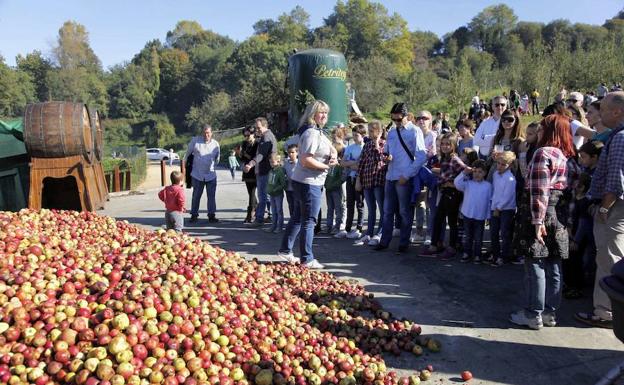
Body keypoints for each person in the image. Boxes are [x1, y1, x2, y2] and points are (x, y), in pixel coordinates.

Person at [510, 114, 574, 330]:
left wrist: (538, 222)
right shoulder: (564, 155)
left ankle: (532, 313)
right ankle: (549, 312)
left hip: (541, 213)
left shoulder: (542, 153)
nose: (538, 132)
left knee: (535, 263)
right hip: (558, 213)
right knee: (554, 263)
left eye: (541, 128)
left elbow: (539, 190)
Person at [576, 91, 624, 328]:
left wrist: (604, 209)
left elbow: (615, 180)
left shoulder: (621, 138)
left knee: (609, 259)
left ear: (617, 111)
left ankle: (606, 311)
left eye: (603, 108)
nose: (598, 112)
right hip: (613, 208)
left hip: (613, 210)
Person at [278, 100, 337, 269]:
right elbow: (305, 159)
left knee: (297, 217)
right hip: (309, 182)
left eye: (326, 112)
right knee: (309, 220)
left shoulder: (317, 131)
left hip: (303, 181)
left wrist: (333, 153)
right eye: (321, 112)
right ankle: (307, 258)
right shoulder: (311, 133)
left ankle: (285, 249)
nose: (324, 115)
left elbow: (331, 147)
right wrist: (327, 166)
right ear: (313, 114)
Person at [374, 103, 427, 253]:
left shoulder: (415, 131)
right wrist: (386, 157)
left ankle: (404, 242)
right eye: (393, 119)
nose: (396, 122)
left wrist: (407, 175)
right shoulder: (391, 132)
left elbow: (421, 156)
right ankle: (384, 241)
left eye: (398, 119)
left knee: (404, 211)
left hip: (404, 177)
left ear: (406, 116)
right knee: (387, 211)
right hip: (390, 175)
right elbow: (387, 152)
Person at [420, 133, 466, 258]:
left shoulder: (455, 159)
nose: (445, 146)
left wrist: (454, 184)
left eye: (448, 144)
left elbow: (467, 171)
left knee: (451, 221)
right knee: (438, 219)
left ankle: (451, 247)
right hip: (444, 192)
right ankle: (435, 245)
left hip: (452, 193)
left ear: (453, 146)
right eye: (443, 144)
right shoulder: (444, 158)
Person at [355, 120, 387, 247]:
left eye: (372, 130)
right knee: (371, 209)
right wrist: (358, 179)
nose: (369, 133)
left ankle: (379, 233)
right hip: (367, 180)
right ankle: (368, 233)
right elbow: (361, 163)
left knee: (382, 209)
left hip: (379, 180)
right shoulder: (366, 145)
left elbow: (381, 159)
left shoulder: (384, 144)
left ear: (379, 132)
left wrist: (376, 142)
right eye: (369, 130)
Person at [454, 160, 492, 263]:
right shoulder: (468, 184)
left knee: (478, 237)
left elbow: (489, 201)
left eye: (480, 172)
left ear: (484, 173)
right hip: (467, 214)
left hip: (480, 217)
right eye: (475, 171)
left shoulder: (488, 186)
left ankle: (477, 255)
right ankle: (467, 253)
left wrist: (488, 216)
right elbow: (456, 183)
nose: (477, 174)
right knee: (468, 236)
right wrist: (464, 172)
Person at [244, 117, 277, 227]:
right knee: (267, 196)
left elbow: (261, 155)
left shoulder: (267, 137)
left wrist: (251, 164)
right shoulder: (266, 136)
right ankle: (272, 217)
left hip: (264, 170)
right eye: (256, 128)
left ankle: (259, 220)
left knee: (262, 196)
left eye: (258, 128)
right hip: (264, 170)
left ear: (265, 126)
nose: (257, 130)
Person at [337, 124, 366, 239]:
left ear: (363, 135)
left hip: (361, 179)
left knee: (359, 204)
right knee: (350, 204)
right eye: (353, 135)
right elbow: (343, 163)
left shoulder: (365, 147)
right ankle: (347, 228)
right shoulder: (350, 147)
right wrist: (354, 163)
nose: (354, 137)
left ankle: (359, 227)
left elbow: (362, 164)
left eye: (356, 135)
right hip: (350, 178)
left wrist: (353, 163)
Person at [186, 125, 220, 223]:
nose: (206, 135)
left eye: (208, 133)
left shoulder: (216, 144)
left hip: (211, 175)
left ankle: (211, 215)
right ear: (202, 133)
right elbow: (187, 154)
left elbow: (217, 159)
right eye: (205, 133)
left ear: (211, 133)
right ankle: (194, 215)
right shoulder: (195, 141)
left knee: (211, 196)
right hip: (197, 174)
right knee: (196, 196)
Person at [489, 151, 517, 266]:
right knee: (493, 233)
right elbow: (495, 191)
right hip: (495, 207)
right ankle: (495, 255)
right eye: (498, 163)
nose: (499, 166)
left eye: (503, 164)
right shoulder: (496, 174)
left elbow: (507, 196)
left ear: (509, 165)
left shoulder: (510, 179)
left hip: (506, 209)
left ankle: (505, 256)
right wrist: (493, 206)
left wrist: (498, 208)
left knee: (505, 233)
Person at [240, 127, 258, 224]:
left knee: (252, 192)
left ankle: (250, 213)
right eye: (245, 135)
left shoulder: (257, 143)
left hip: (255, 170)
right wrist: (240, 154)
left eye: (248, 135)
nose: (246, 137)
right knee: (250, 193)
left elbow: (255, 157)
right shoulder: (244, 143)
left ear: (253, 133)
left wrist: (246, 155)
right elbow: (242, 158)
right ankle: (257, 208)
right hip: (246, 170)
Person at [325, 151, 345, 236]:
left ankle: (337, 226)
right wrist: (326, 185)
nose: (331, 160)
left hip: (336, 190)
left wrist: (335, 184)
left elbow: (342, 178)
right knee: (330, 209)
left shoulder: (339, 167)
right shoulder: (327, 168)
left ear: (337, 159)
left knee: (338, 209)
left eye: (333, 158)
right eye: (330, 158)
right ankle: (329, 226)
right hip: (328, 190)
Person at [266, 153, 287, 234]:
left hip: (278, 194)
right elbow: (269, 182)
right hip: (271, 194)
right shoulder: (271, 171)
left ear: (278, 162)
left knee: (279, 211)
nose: (271, 164)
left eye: (273, 162)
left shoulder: (280, 171)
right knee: (273, 211)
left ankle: (279, 227)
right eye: (270, 162)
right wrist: (268, 190)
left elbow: (283, 184)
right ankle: (273, 226)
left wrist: (275, 189)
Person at [284, 144, 298, 218]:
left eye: (292, 152)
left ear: (297, 153)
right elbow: (283, 174)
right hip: (288, 189)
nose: (290, 154)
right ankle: (292, 221)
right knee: (291, 206)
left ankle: (297, 223)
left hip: (297, 189)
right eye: (289, 152)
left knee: (297, 207)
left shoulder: (299, 163)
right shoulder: (286, 163)